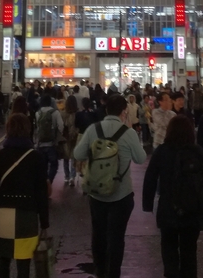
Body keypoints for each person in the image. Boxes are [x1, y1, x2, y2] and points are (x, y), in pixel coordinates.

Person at [74, 94, 147, 278]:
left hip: (97, 194)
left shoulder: (93, 129)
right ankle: (113, 273)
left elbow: (78, 153)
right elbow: (141, 158)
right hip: (121, 194)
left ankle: (100, 269)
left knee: (98, 234)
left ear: (106, 110)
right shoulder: (128, 132)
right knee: (116, 237)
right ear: (124, 112)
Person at [142, 115, 203, 278]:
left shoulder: (162, 151)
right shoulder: (197, 151)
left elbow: (150, 177)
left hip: (168, 208)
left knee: (169, 249)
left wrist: (147, 204)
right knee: (189, 251)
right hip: (193, 210)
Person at [0, 114, 49, 278]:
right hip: (26, 213)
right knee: (24, 260)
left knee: (4, 258)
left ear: (8, 130)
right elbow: (41, 192)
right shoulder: (36, 157)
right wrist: (45, 222)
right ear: (28, 130)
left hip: (2, 213)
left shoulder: (0, 156)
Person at [35, 94, 64, 183]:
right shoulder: (55, 112)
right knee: (54, 165)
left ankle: (43, 182)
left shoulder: (38, 113)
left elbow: (37, 127)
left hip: (40, 143)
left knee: (42, 165)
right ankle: (49, 181)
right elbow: (61, 126)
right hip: (52, 144)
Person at [61, 94, 80, 187]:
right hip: (75, 136)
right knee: (73, 157)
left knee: (65, 157)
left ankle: (66, 176)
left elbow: (61, 126)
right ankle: (73, 176)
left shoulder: (63, 113)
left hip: (66, 137)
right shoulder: (78, 113)